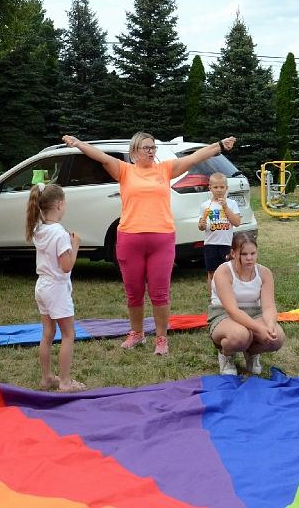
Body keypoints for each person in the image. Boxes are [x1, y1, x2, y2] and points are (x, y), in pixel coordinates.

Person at [62, 132, 237, 355]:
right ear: (134, 152)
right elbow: (100, 156)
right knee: (133, 292)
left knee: (159, 292)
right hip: (129, 240)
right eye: (146, 148)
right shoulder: (124, 170)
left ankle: (161, 337)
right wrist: (78, 143)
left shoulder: (165, 169)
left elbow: (194, 158)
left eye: (153, 147)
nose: (151, 151)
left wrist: (219, 145)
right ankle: (137, 333)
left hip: (161, 240)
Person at [25, 183, 85, 392]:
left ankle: (47, 378)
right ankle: (65, 382)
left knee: (48, 332)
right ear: (59, 204)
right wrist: (75, 245)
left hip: (42, 286)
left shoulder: (38, 229)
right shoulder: (59, 234)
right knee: (68, 334)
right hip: (57, 289)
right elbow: (66, 266)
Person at [208, 233, 285, 375]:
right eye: (244, 254)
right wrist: (259, 329)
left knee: (277, 338)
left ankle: (251, 353)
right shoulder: (223, 272)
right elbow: (232, 310)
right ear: (233, 253)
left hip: (254, 312)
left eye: (253, 253)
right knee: (240, 336)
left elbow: (269, 307)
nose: (249, 258)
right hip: (224, 314)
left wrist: (269, 325)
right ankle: (226, 354)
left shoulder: (264, 273)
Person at [198, 172, 241, 288]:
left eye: (222, 187)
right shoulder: (205, 205)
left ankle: (228, 294)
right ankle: (213, 296)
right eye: (216, 187)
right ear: (210, 188)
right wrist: (201, 225)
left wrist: (225, 207)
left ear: (226, 188)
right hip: (210, 244)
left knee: (228, 272)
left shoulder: (232, 204)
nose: (219, 190)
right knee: (212, 273)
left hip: (226, 244)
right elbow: (201, 226)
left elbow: (237, 222)